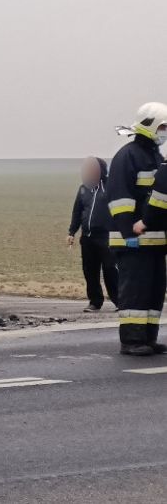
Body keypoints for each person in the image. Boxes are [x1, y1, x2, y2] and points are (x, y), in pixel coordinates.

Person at [106, 102, 167, 356]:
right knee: (135, 293)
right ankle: (131, 340)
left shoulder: (154, 155)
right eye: (163, 126)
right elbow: (120, 200)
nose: (165, 131)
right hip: (134, 240)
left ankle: (148, 338)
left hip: (154, 241)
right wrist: (128, 234)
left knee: (154, 292)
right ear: (150, 125)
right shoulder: (128, 155)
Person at [67, 157, 118, 311]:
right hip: (88, 237)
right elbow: (77, 211)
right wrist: (71, 232)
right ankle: (95, 302)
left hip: (107, 237)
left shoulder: (111, 186)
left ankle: (119, 301)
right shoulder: (83, 188)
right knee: (90, 270)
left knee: (110, 269)